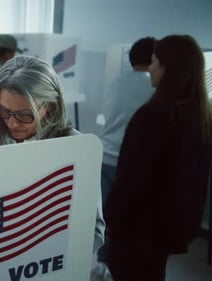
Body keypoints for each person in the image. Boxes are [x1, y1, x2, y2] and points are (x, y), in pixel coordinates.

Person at [105, 35, 211, 281]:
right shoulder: (200, 118)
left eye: (154, 62)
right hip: (169, 229)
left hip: (137, 229)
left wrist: (112, 219)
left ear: (168, 68)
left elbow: (131, 181)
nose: (150, 68)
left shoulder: (151, 117)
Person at [0, 55, 105, 262]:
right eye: (4, 111)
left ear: (50, 106)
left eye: (24, 115)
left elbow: (95, 231)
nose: (12, 123)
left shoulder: (76, 148)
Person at [95, 37, 156, 279]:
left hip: (105, 156)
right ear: (153, 59)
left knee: (105, 218)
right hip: (129, 163)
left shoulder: (116, 82)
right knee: (126, 220)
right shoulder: (153, 88)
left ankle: (101, 266)